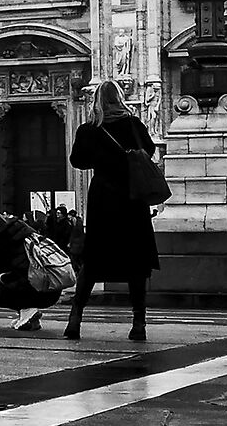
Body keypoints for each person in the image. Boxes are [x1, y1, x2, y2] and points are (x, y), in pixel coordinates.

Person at [64, 80, 159, 342]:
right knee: (136, 262)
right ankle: (138, 323)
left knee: (93, 261)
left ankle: (75, 319)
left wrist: (100, 158)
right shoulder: (134, 125)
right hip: (132, 197)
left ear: (97, 101)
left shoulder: (90, 129)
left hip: (103, 198)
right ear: (120, 99)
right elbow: (149, 151)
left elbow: (77, 161)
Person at [0, 201, 64, 331]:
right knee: (14, 277)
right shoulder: (22, 229)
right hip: (53, 287)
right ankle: (28, 316)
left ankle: (27, 310)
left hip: (37, 291)